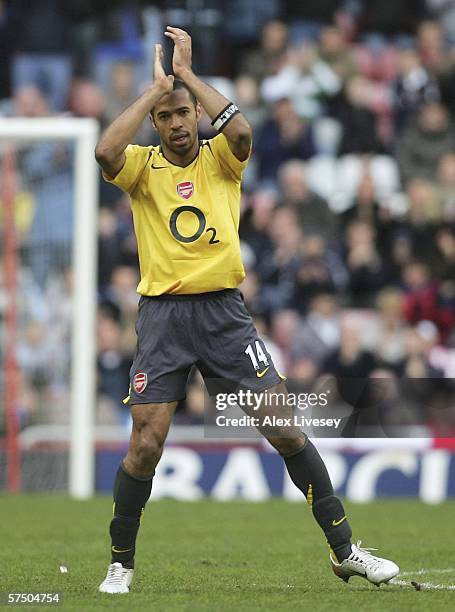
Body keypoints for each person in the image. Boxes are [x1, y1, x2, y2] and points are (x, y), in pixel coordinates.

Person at [95, 26, 399, 594]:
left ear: (194, 113)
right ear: (156, 124)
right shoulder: (140, 167)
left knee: (283, 427)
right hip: (163, 314)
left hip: (224, 313)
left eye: (184, 112)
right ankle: (121, 562)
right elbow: (104, 151)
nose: (179, 123)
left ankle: (347, 550)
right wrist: (153, 89)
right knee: (146, 440)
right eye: (167, 117)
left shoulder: (220, 159)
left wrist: (186, 78)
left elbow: (240, 128)